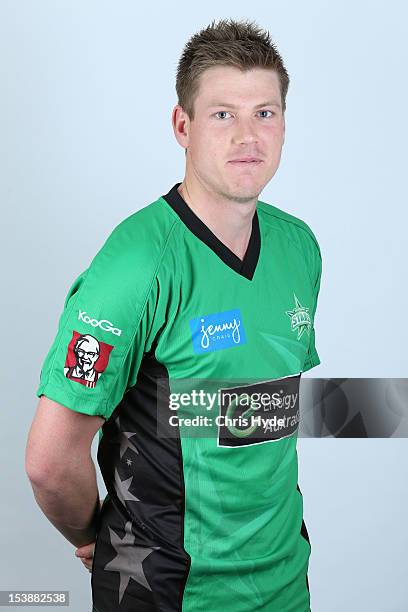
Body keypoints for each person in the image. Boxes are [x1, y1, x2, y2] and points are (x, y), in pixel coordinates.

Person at [25, 17, 322, 612]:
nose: (248, 135)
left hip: (283, 584)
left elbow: (267, 410)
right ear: (182, 126)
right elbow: (50, 462)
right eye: (223, 114)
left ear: (285, 124)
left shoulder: (299, 248)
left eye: (265, 112)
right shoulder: (136, 264)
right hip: (166, 592)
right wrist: (94, 537)